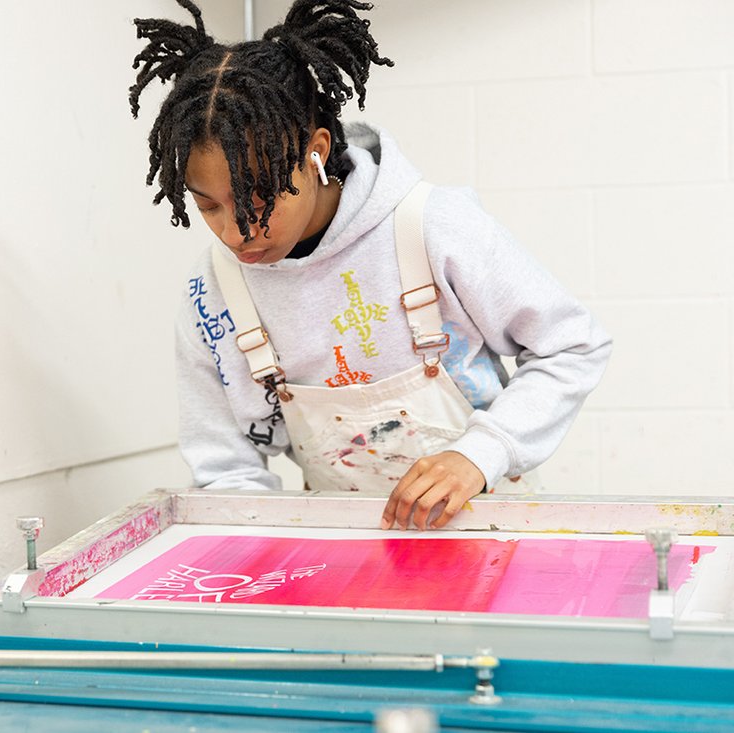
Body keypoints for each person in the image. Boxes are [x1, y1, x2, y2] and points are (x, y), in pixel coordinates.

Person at [128, 0, 611, 531]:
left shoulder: (431, 227)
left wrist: (482, 453)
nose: (236, 232)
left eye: (259, 197)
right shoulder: (215, 294)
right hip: (349, 551)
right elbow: (227, 472)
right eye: (208, 205)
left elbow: (573, 345)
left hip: (492, 531)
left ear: (315, 152)